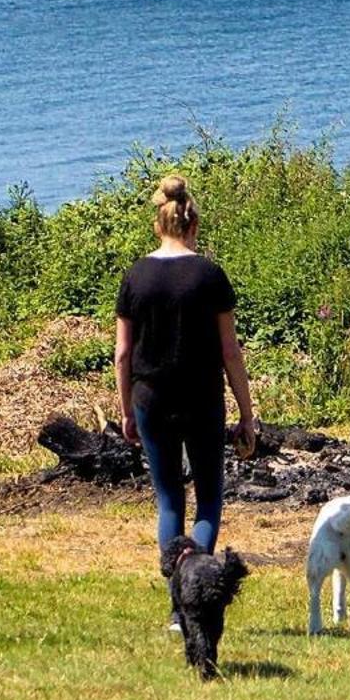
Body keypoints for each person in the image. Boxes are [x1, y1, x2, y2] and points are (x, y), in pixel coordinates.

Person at [115, 174, 257, 632]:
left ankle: (178, 605)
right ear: (193, 223)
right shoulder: (210, 275)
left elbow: (121, 353)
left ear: (159, 225)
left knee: (168, 501)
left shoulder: (135, 276)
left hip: (149, 397)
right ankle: (200, 592)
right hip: (201, 398)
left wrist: (123, 409)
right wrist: (246, 413)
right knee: (209, 500)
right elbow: (230, 351)